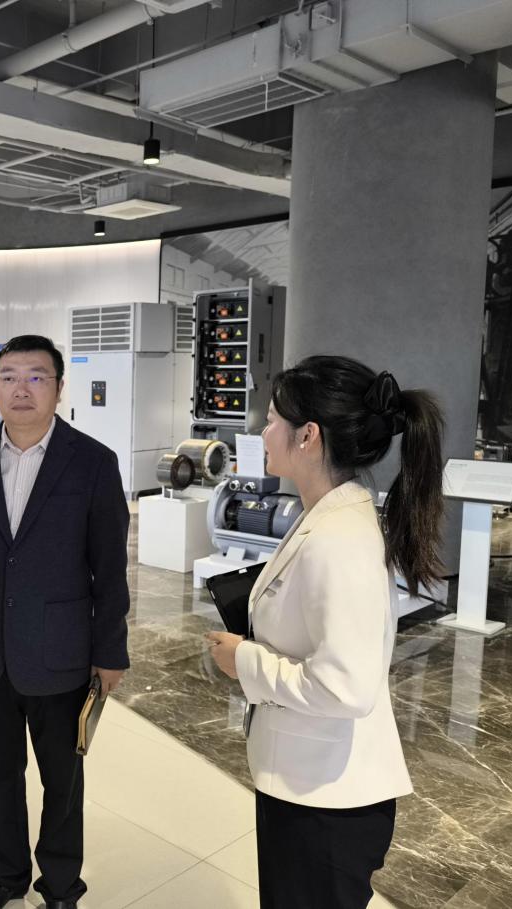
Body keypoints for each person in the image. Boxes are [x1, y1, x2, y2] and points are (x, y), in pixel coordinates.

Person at [206, 356, 443, 908]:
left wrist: (244, 661)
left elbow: (345, 688)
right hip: (310, 785)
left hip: (327, 803)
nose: (262, 431)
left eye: (271, 420)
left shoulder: (341, 540)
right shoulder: (326, 518)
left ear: (307, 436)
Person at [0, 334, 130, 909]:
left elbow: (109, 569)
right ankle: (6, 875)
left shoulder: (93, 462)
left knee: (61, 781)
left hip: (62, 651)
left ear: (59, 387)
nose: (21, 389)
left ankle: (62, 885)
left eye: (36, 377)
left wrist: (110, 652)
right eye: (8, 377)